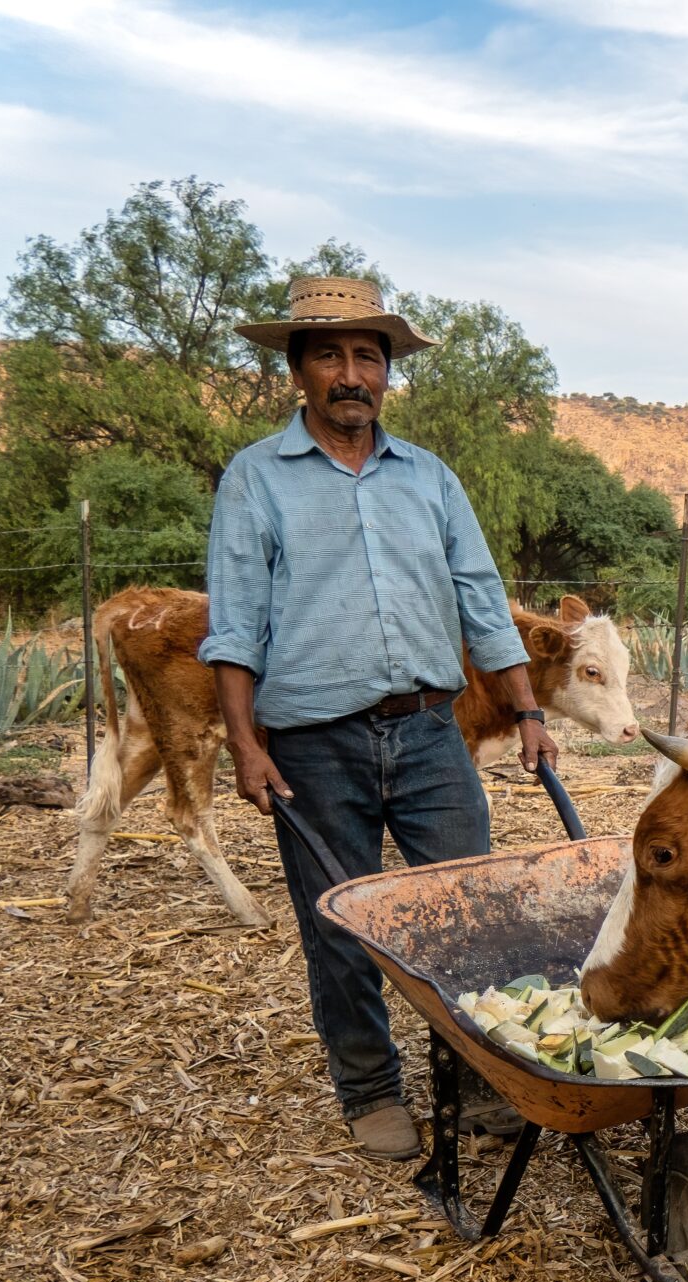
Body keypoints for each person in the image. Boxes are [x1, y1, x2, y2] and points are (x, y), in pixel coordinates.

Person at [203, 276, 559, 1159]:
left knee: (470, 913)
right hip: (314, 744)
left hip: (432, 730)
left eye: (368, 355)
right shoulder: (257, 479)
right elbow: (236, 620)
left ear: (388, 374)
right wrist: (245, 744)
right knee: (343, 925)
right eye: (330, 355)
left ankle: (481, 1081)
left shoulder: (429, 479)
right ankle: (370, 1089)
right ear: (299, 370)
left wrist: (526, 706)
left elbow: (482, 598)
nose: (351, 373)